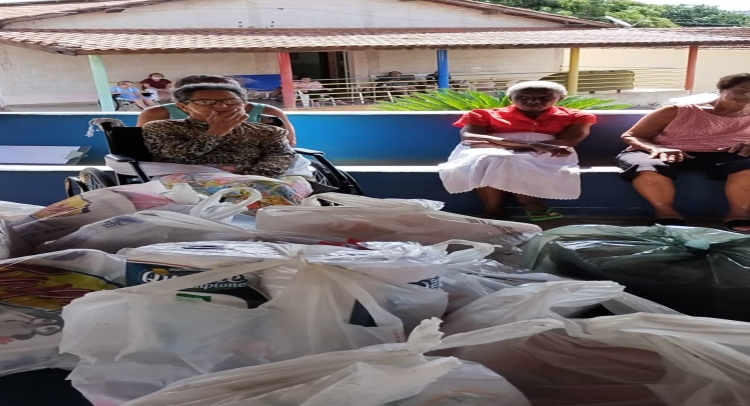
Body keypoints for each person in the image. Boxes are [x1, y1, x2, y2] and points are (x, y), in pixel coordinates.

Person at [438, 81, 596, 221]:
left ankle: (513, 206)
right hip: (492, 151)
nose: (533, 101)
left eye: (544, 98)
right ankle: (503, 207)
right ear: (510, 98)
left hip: (547, 151)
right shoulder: (483, 114)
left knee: (501, 157)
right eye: (523, 97)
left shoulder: (577, 116)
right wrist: (531, 145)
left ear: (560, 98)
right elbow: (470, 138)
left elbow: (570, 141)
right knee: (492, 158)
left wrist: (501, 144)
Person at [618, 73, 750, 231]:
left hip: (726, 154)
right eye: (741, 90)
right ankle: (666, 213)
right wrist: (658, 149)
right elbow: (631, 135)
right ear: (721, 90)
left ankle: (740, 214)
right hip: (666, 150)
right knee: (647, 167)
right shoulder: (677, 110)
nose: (747, 95)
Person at [137, 74, 297, 146]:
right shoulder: (157, 116)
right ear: (183, 104)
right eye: (206, 100)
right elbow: (143, 149)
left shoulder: (267, 112)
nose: (220, 106)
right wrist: (217, 132)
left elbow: (287, 145)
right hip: (182, 171)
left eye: (229, 98)